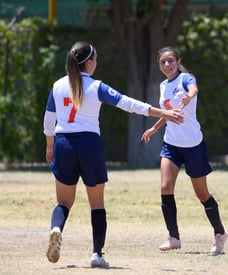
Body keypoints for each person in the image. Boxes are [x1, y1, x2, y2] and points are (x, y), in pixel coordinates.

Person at [43, 41, 184, 268]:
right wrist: (163, 113)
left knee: (63, 202)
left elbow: (49, 120)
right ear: (89, 62)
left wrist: (50, 145)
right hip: (89, 144)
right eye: (95, 59)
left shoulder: (58, 85)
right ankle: (96, 254)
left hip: (63, 143)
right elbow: (128, 104)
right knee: (97, 204)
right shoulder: (95, 86)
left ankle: (56, 229)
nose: (96, 63)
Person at [141, 46, 228, 253]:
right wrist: (154, 128)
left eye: (171, 61)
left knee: (202, 194)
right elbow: (168, 112)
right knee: (165, 188)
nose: (167, 65)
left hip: (193, 145)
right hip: (171, 144)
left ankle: (219, 233)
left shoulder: (186, 79)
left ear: (178, 62)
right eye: (163, 62)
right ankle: (173, 237)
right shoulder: (163, 85)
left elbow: (193, 89)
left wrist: (190, 96)